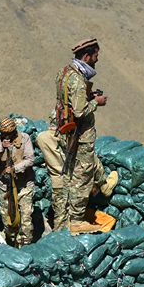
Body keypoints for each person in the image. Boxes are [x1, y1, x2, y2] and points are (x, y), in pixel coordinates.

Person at [52, 38, 110, 235]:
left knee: (68, 175)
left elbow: (67, 101)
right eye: (95, 56)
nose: (96, 60)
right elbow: (79, 111)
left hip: (66, 132)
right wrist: (97, 103)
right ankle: (76, 220)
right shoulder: (77, 79)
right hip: (80, 135)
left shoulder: (64, 73)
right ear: (86, 56)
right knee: (83, 177)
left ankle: (64, 219)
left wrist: (88, 96)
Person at [35, 128, 117, 231]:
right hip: (73, 179)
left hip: (58, 181)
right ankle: (103, 185)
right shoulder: (63, 138)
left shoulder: (42, 138)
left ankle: (59, 236)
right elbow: (89, 161)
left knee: (60, 215)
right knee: (86, 160)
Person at [0, 117, 35, 247]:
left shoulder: (24, 138)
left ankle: (26, 248)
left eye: (10, 133)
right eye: (5, 133)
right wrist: (2, 148)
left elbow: (30, 159)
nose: (7, 136)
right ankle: (12, 247)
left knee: (25, 222)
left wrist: (15, 169)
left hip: (24, 185)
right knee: (9, 223)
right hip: (5, 187)